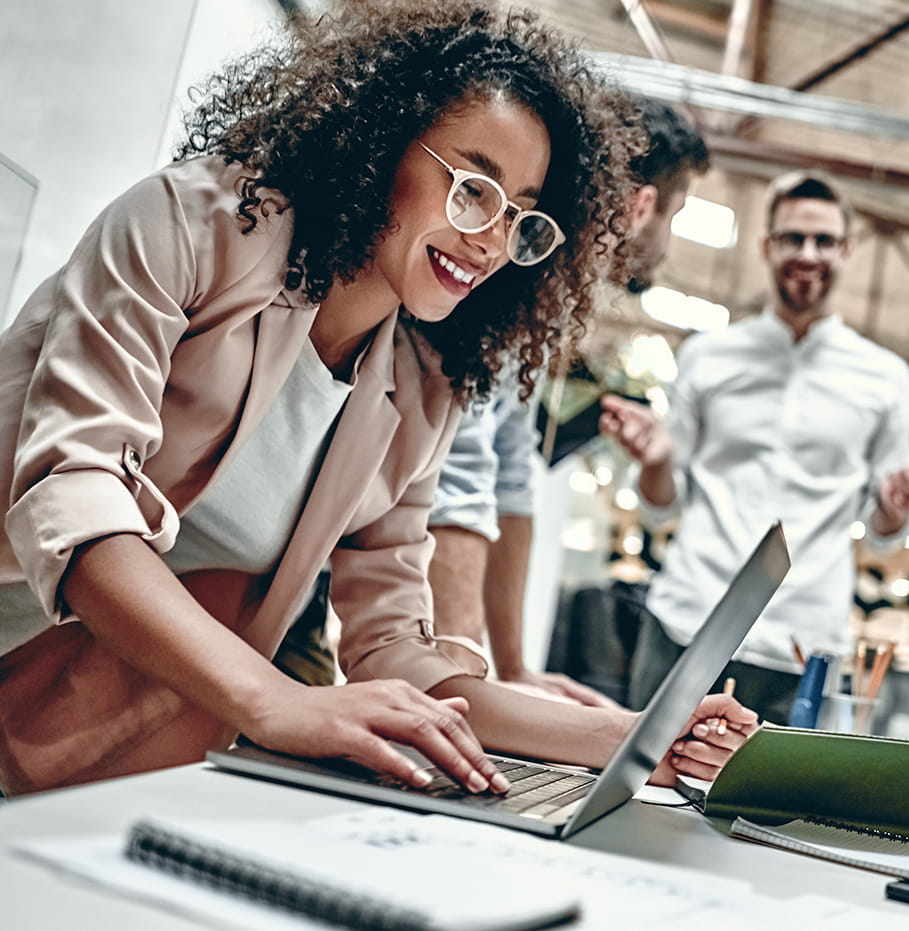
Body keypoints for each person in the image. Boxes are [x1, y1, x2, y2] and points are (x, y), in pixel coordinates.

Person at [0, 2, 753, 798]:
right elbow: (75, 500)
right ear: (379, 142)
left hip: (76, 718)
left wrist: (635, 736)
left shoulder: (425, 385)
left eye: (523, 218)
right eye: (472, 189)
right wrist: (277, 701)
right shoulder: (188, 228)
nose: (492, 242)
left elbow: (394, 646)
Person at [601, 171, 909, 726]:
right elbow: (661, 503)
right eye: (792, 238)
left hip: (803, 644)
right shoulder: (708, 356)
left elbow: (886, 536)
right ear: (766, 247)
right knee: (641, 791)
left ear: (847, 251)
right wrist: (659, 462)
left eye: (824, 240)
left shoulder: (887, 379)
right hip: (688, 622)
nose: (808, 254)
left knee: (768, 812)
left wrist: (895, 504)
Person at [424, 98, 710, 706]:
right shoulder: (510, 273)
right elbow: (462, 475)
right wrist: (468, 685)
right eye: (676, 214)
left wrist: (511, 669)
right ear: (641, 207)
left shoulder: (549, 301)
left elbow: (509, 475)